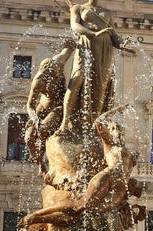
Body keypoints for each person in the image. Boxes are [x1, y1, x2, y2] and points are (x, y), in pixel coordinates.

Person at [20, 104, 137, 228]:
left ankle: (40, 219)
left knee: (88, 214)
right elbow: (99, 121)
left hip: (120, 188)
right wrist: (117, 110)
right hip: (107, 177)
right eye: (114, 128)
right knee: (80, 206)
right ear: (111, 132)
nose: (118, 130)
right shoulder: (109, 145)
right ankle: (35, 216)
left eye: (120, 129)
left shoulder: (127, 152)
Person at [56, 0, 134, 135]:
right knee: (76, 80)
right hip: (86, 45)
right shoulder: (78, 8)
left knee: (100, 89)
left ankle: (94, 128)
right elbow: (74, 26)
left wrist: (123, 44)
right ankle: (65, 122)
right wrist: (93, 33)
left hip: (105, 49)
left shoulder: (108, 13)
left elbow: (114, 35)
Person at [24, 39, 75, 173]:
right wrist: (34, 118)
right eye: (53, 75)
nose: (57, 75)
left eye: (58, 72)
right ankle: (40, 163)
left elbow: (69, 47)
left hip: (60, 107)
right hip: (43, 107)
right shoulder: (38, 82)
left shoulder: (59, 61)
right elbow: (29, 105)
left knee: (42, 130)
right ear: (46, 75)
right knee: (29, 136)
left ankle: (51, 157)